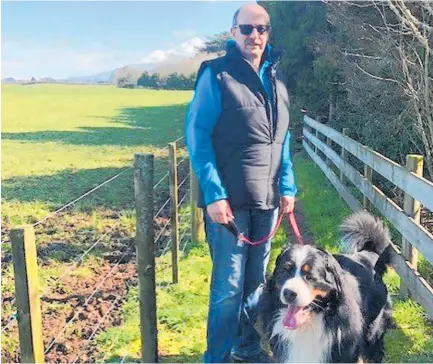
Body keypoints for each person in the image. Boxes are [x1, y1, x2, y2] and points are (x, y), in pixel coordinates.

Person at [185, 4, 297, 363]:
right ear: (233, 32)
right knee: (227, 289)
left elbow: (283, 140)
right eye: (247, 29)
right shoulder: (216, 75)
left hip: (266, 201)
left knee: (257, 284)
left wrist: (288, 187)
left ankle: (246, 348)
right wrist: (214, 195)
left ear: (269, 32)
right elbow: (198, 136)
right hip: (228, 204)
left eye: (262, 28)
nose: (255, 36)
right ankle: (216, 357)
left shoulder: (276, 81)